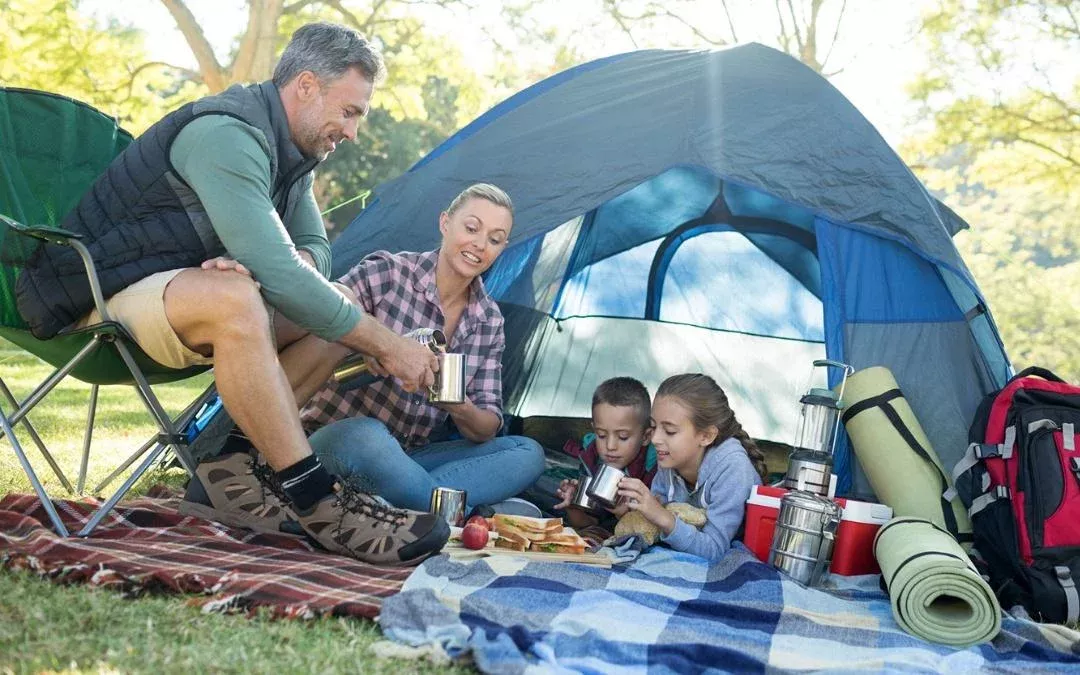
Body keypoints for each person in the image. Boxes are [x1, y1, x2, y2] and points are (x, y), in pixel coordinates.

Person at [16, 22, 449, 566]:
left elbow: (314, 252)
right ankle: (316, 499)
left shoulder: (291, 156)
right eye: (351, 111)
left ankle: (232, 465)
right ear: (307, 86)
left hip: (173, 293)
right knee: (239, 299)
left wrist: (264, 261)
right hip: (97, 297)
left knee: (335, 302)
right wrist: (387, 344)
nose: (354, 131)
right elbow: (285, 274)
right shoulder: (227, 134)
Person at [283, 184, 546, 513]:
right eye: (471, 228)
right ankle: (446, 510)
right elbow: (325, 308)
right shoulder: (390, 273)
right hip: (338, 440)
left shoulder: (489, 321)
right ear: (445, 223)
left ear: (502, 247)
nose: (479, 245)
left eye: (494, 239)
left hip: (409, 457)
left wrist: (455, 402)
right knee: (368, 435)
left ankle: (403, 504)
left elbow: (488, 426)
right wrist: (374, 345)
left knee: (527, 452)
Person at [617, 373, 768, 561]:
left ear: (706, 436)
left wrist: (661, 516)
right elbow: (652, 525)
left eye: (670, 431)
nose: (655, 439)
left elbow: (714, 549)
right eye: (654, 427)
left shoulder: (733, 469)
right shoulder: (670, 458)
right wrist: (629, 510)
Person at [553, 377, 656, 533]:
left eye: (622, 437)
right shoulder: (591, 458)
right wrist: (573, 506)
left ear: (646, 437)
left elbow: (654, 533)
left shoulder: (655, 470)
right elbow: (589, 524)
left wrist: (624, 514)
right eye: (601, 435)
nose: (610, 446)